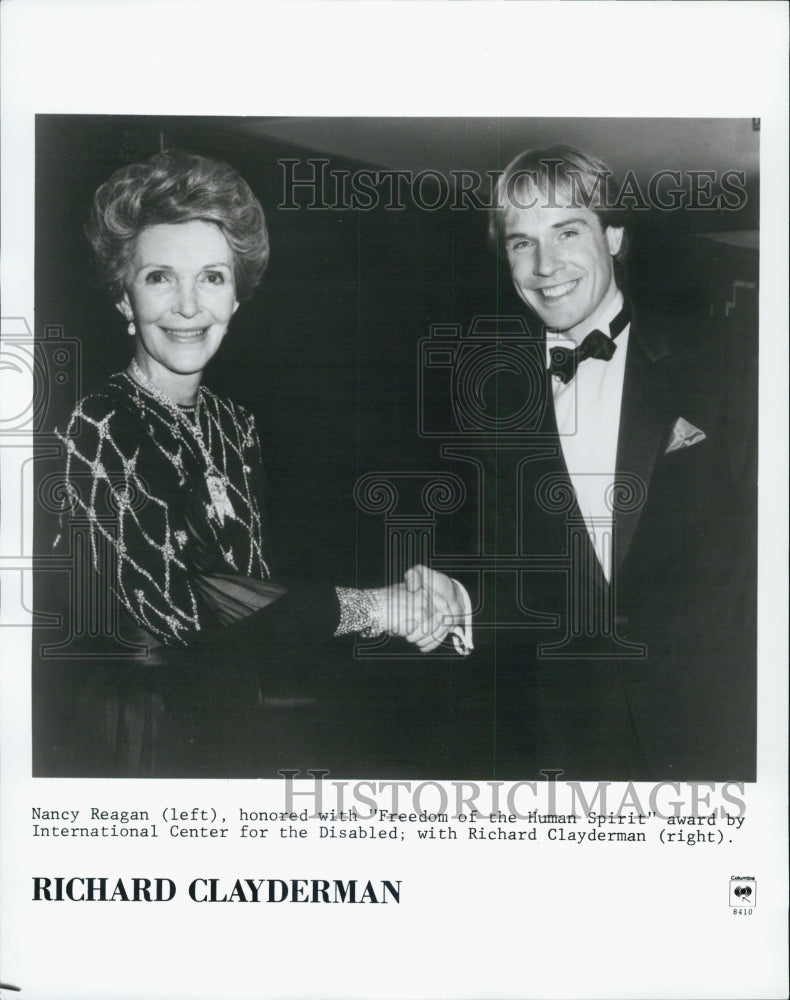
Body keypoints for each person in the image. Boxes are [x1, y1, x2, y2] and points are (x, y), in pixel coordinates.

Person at [54, 149, 469, 777]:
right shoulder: (98, 424)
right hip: (135, 732)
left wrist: (409, 591)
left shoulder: (233, 424)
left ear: (238, 297)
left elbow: (262, 593)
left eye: (213, 278)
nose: (189, 306)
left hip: (231, 714)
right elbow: (189, 604)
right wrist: (379, 609)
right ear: (122, 296)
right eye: (160, 277)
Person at [463, 144, 756, 780]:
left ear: (614, 235)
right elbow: (504, 577)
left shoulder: (725, 361)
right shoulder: (488, 401)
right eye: (521, 242)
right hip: (562, 737)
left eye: (567, 231)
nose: (545, 265)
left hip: (712, 727)